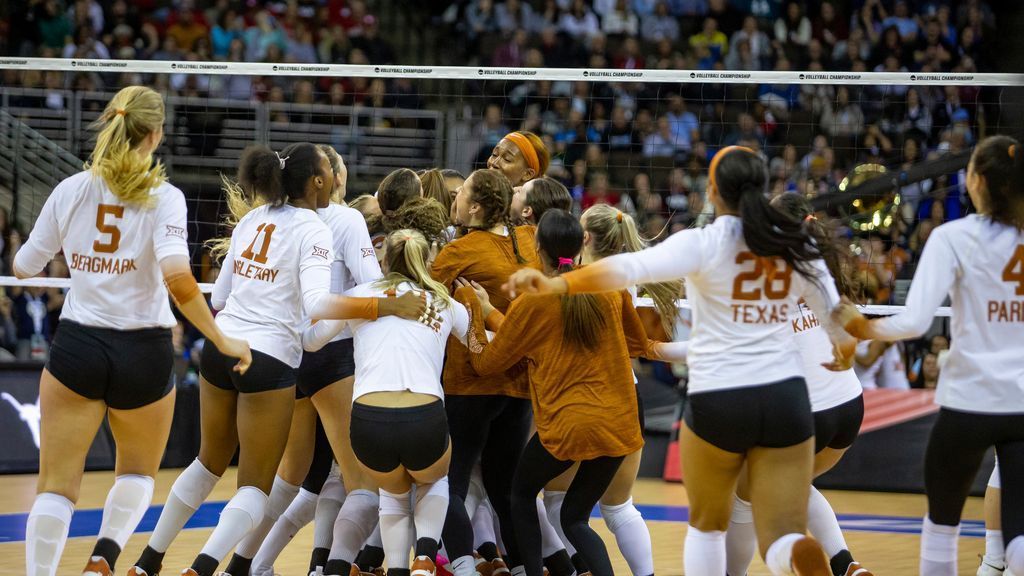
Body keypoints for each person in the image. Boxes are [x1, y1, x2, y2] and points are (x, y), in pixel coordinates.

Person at [506, 146, 854, 575]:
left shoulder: (703, 242)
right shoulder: (795, 244)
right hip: (787, 399)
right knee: (782, 526)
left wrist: (557, 285)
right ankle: (788, 554)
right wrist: (847, 351)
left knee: (707, 526)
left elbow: (626, 269)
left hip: (722, 398)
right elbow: (838, 321)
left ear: (712, 190)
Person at [127, 143, 429, 576]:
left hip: (222, 348)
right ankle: (204, 567)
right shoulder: (317, 228)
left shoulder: (252, 218)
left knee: (207, 462)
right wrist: (380, 308)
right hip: (270, 359)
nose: (332, 176)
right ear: (317, 181)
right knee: (256, 485)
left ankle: (147, 561)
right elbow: (319, 305)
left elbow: (223, 294)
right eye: (327, 169)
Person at [14, 85, 251, 576]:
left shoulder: (71, 190)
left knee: (56, 486)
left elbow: (22, 266)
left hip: (78, 343)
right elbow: (179, 280)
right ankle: (104, 557)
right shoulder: (165, 197)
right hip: (143, 350)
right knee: (139, 473)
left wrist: (84, 259)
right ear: (156, 135)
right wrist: (221, 339)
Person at [835, 135, 1024, 576]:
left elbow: (915, 323)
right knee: (1019, 536)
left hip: (969, 402)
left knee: (942, 525)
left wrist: (862, 326)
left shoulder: (953, 237)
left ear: (975, 181)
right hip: (1022, 402)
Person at [462, 209, 685, 576]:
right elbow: (637, 343)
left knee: (519, 493)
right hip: (619, 424)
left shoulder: (532, 301)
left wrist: (478, 311)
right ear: (580, 244)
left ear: (538, 248)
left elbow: (488, 363)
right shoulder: (609, 288)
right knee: (575, 518)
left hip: (568, 428)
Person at [226, 145, 381, 576]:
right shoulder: (347, 219)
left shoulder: (271, 216)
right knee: (359, 479)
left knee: (290, 475)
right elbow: (371, 286)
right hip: (330, 355)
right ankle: (335, 567)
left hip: (286, 353)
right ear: (322, 177)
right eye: (337, 168)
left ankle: (244, 564)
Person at [305, 228, 472, 576]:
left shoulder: (359, 296)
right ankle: (425, 556)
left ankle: (397, 569)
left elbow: (311, 342)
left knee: (393, 493)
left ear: (383, 260)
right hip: (423, 417)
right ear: (427, 261)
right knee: (434, 479)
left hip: (368, 423)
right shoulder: (442, 300)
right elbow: (482, 343)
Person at [726, 194, 873, 576]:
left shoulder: (769, 273)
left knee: (745, 496)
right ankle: (846, 565)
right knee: (796, 484)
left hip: (809, 412)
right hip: (848, 405)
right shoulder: (824, 266)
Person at [542, 204, 682, 576]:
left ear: (585, 237)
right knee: (619, 507)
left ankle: (579, 568)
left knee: (553, 499)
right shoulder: (627, 274)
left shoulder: (579, 280)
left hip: (580, 398)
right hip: (625, 397)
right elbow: (642, 345)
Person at [430, 168, 540, 576]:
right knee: (506, 490)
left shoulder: (459, 251)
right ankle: (526, 568)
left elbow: (418, 292)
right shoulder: (529, 241)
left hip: (471, 382)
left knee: (447, 485)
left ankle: (460, 566)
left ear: (475, 206)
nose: (454, 199)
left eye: (461, 195)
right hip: (519, 385)